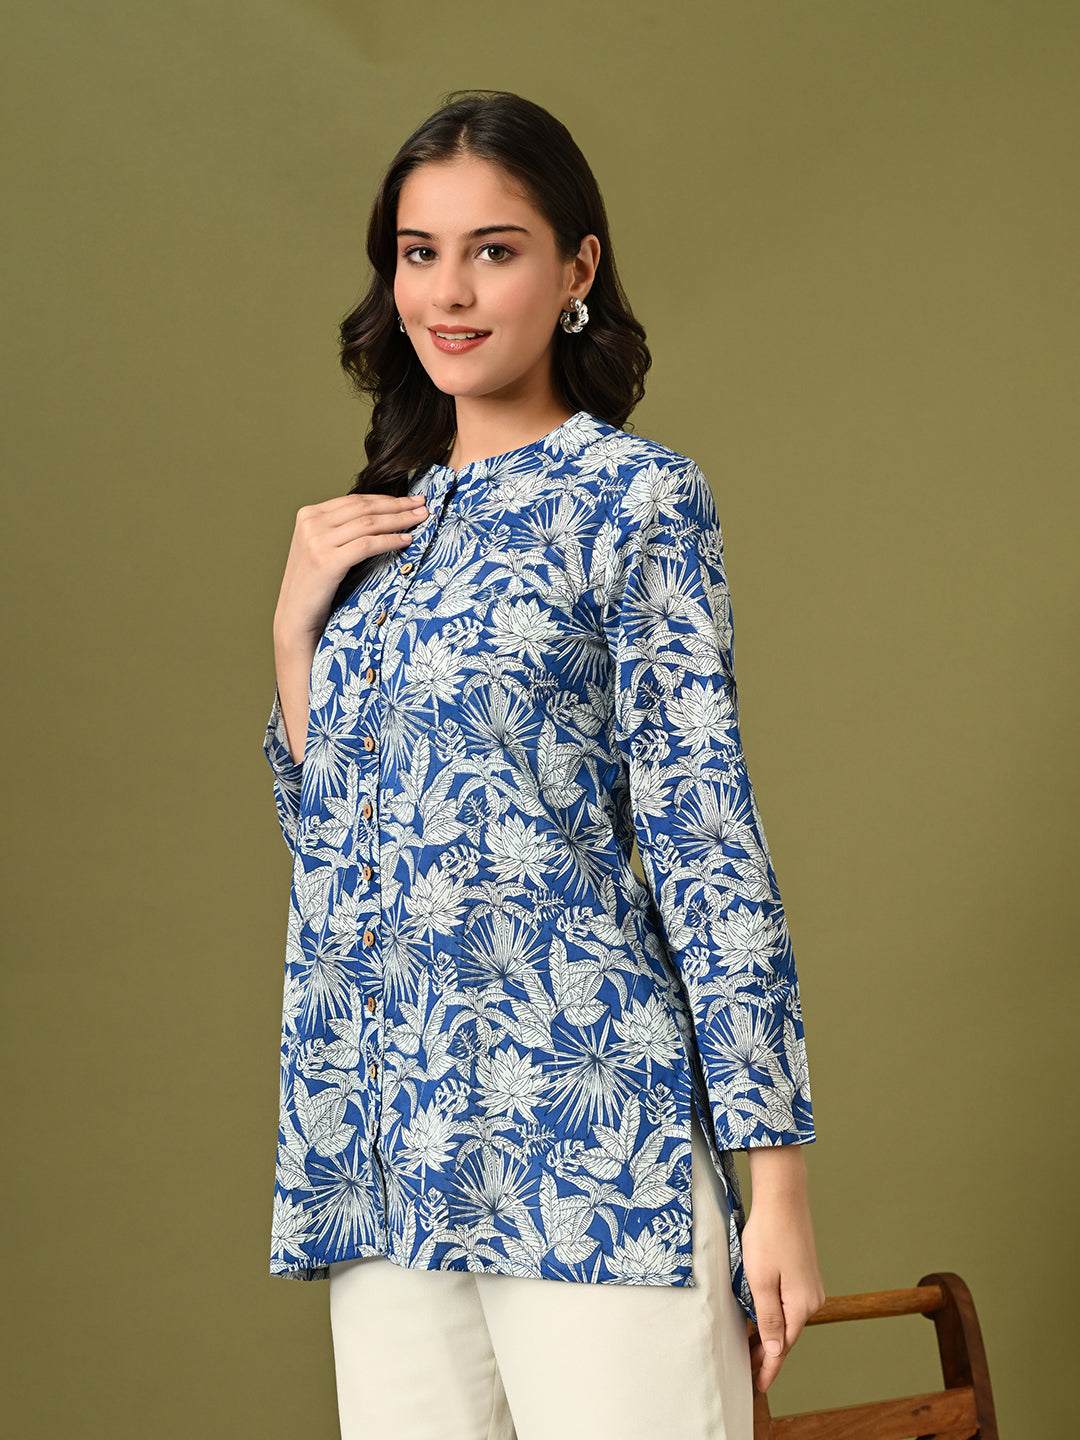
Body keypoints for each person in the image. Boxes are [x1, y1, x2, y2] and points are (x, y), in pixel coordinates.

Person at [263, 89, 825, 1440]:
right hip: (391, 1157)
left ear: (577, 269)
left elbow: (704, 839)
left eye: (494, 250)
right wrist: (293, 626)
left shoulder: (637, 501)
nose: (448, 292)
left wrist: (778, 1187)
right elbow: (336, 849)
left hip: (591, 1147)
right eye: (420, 252)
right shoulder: (374, 533)